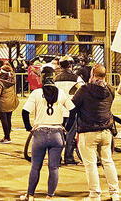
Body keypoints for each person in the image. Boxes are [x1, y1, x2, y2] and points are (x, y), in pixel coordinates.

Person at [20, 66, 74, 201]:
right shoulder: (61, 93)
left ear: (42, 78)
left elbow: (25, 111)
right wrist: (66, 127)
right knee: (54, 167)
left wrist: (29, 127)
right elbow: (73, 110)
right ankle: (49, 196)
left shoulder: (36, 93)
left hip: (40, 133)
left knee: (35, 167)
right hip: (57, 134)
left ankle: (30, 195)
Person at [68, 64, 120, 201]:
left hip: (88, 131)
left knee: (90, 165)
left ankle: (94, 194)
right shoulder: (110, 89)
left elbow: (72, 106)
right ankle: (114, 193)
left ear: (92, 74)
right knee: (108, 162)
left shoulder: (84, 89)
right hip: (106, 131)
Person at [54, 55, 79, 164]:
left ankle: (57, 158)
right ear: (70, 65)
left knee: (59, 135)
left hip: (59, 111)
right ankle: (68, 157)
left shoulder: (56, 79)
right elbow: (82, 91)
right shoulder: (76, 78)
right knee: (70, 135)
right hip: (71, 111)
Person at [0, 64, 19, 144]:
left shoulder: (0, 83)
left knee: (4, 121)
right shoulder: (12, 81)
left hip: (2, 104)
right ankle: (7, 136)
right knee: (8, 119)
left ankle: (7, 137)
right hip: (11, 102)